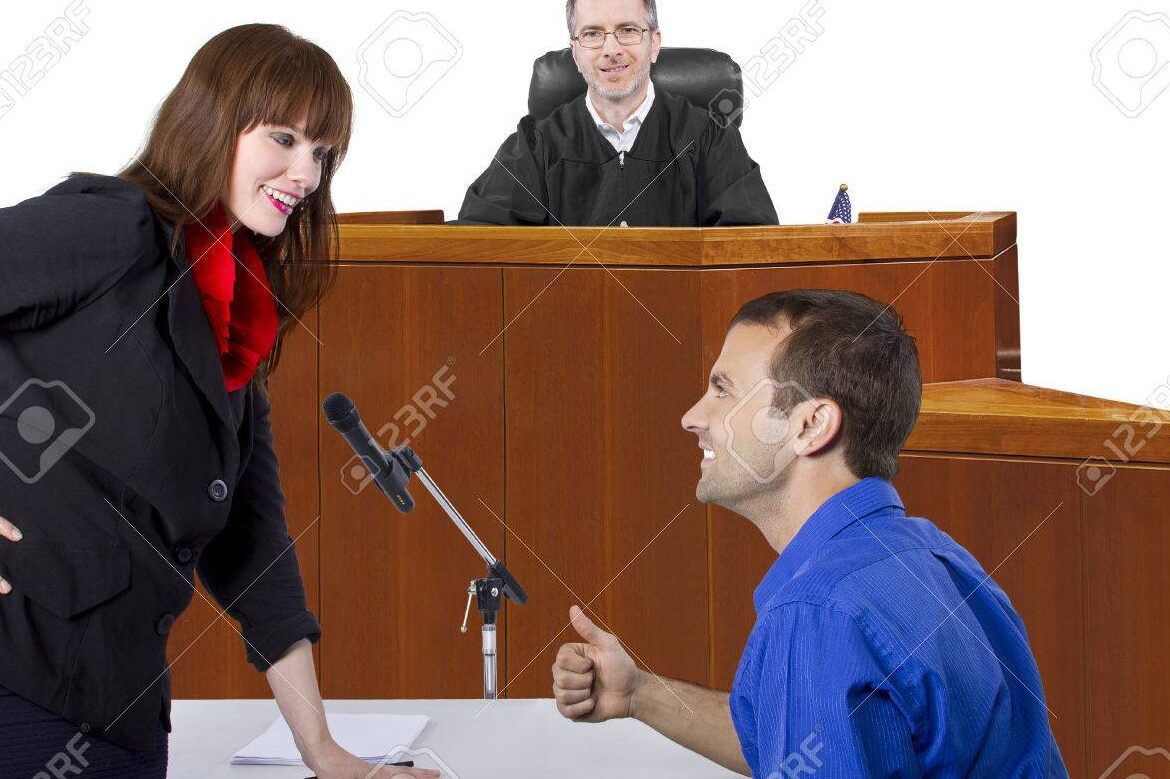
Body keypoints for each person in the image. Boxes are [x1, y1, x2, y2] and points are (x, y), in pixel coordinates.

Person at [0, 24, 436, 779]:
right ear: (212, 124)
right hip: (20, 690)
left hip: (124, 710)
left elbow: (254, 547)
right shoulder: (113, 227)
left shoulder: (235, 314)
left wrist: (324, 752)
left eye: (323, 151)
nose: (306, 172)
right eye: (284, 137)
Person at [551, 290, 1069, 776]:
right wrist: (640, 693)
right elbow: (801, 742)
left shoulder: (819, 611)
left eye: (722, 390)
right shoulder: (938, 560)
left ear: (809, 425)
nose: (692, 417)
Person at [456, 0, 778, 227]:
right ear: (576, 52)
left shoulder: (710, 138)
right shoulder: (535, 146)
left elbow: (750, 250)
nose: (611, 50)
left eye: (627, 30)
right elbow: (478, 243)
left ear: (654, 44)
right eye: (592, 34)